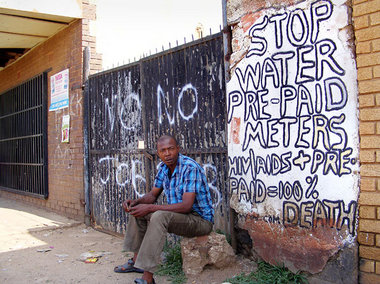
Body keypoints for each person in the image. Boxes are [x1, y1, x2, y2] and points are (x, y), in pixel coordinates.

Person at [114, 134, 214, 284]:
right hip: (180, 216)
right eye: (163, 150)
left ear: (178, 149)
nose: (167, 153)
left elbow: (186, 206)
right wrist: (136, 202)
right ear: (158, 153)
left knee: (159, 216)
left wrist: (150, 207)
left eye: (171, 149)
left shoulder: (189, 167)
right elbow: (152, 196)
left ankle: (147, 278)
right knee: (138, 211)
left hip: (200, 221)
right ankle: (136, 263)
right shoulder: (163, 168)